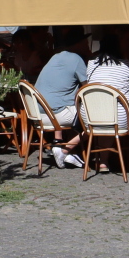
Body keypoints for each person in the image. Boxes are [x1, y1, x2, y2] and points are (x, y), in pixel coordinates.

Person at [36, 29, 90, 168]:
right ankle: (65, 150)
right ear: (80, 43)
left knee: (67, 100)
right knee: (96, 120)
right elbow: (87, 88)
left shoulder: (56, 57)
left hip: (37, 114)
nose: (87, 43)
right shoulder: (77, 59)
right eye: (85, 41)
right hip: (56, 115)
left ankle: (65, 147)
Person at [83, 32, 129, 128]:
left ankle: (102, 144)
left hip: (90, 116)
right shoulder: (127, 64)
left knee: (107, 128)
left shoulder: (91, 63)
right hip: (121, 119)